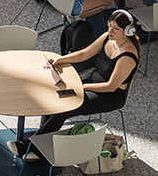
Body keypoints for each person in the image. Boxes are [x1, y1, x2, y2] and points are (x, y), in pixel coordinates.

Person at [18, 10, 140, 152]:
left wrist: (83, 87)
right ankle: (44, 137)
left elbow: (111, 86)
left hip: (109, 95)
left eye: (116, 28)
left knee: (65, 109)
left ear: (128, 31)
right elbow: (84, 54)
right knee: (55, 95)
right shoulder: (108, 37)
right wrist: (60, 59)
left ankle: (32, 149)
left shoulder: (127, 56)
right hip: (93, 83)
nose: (110, 30)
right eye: (109, 25)